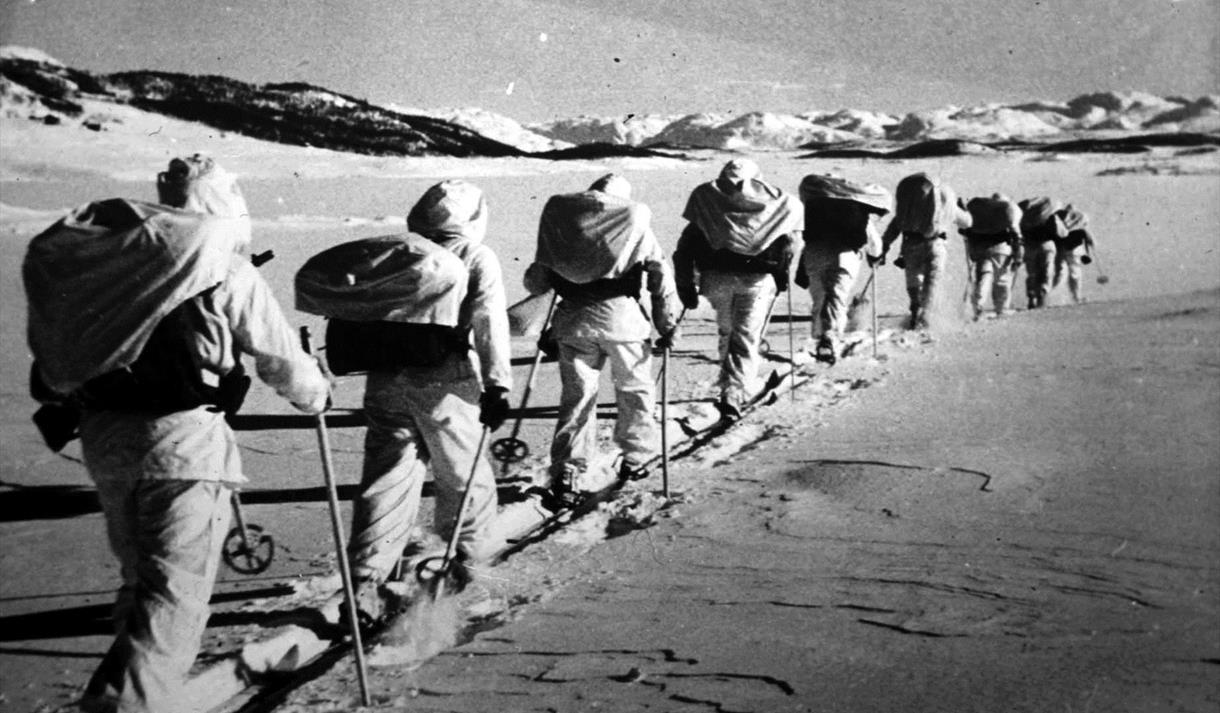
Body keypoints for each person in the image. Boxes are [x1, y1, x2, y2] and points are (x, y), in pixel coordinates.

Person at [24, 154, 331, 713]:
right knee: (174, 597)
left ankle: (128, 689)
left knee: (141, 579)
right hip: (183, 445)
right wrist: (316, 396)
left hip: (106, 439)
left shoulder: (122, 267)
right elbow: (282, 359)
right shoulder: (224, 269)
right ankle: (129, 705)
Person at [336, 180, 513, 621]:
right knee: (464, 476)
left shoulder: (399, 252)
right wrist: (498, 385)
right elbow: (489, 320)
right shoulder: (475, 255)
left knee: (386, 480)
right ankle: (466, 563)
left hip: (384, 380)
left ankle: (365, 582)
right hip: (444, 382)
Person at [523, 173, 678, 506]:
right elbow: (660, 277)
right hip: (623, 322)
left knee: (577, 396)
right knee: (634, 389)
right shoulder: (635, 225)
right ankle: (636, 457)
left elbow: (536, 283)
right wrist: (666, 324)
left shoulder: (565, 228)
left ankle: (567, 470)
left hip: (573, 321)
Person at [674, 159, 801, 415]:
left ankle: (730, 384)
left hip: (715, 278)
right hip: (756, 280)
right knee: (745, 335)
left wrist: (685, 284)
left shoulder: (707, 202)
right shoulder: (778, 205)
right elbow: (790, 245)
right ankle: (735, 392)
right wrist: (781, 274)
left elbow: (685, 247)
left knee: (728, 330)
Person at [795, 173, 890, 364]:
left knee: (819, 297)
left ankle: (820, 337)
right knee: (836, 297)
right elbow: (873, 242)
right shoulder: (855, 208)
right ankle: (829, 337)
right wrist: (876, 256)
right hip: (845, 257)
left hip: (814, 255)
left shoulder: (812, 208)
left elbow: (798, 235)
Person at [878, 172, 973, 329]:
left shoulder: (907, 208)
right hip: (936, 243)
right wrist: (964, 210)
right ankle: (926, 313)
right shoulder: (946, 200)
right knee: (933, 278)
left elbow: (895, 226)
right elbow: (967, 222)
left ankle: (916, 305)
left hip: (910, 244)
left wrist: (885, 245)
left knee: (913, 276)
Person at [960, 193, 1023, 319]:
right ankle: (1001, 308)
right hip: (1002, 250)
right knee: (1002, 279)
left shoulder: (981, 212)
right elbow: (1016, 235)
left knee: (983, 277)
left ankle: (976, 308)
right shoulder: (1008, 211)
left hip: (981, 249)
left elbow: (967, 231)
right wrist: (1018, 254)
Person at [1017, 196, 1066, 309]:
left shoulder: (1023, 218)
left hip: (1029, 247)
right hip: (1046, 245)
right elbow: (1062, 233)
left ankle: (1031, 295)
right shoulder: (1050, 217)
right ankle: (1042, 295)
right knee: (1046, 271)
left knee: (1032, 273)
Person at [1052, 204, 1095, 304]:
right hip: (1072, 248)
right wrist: (1090, 245)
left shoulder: (1057, 216)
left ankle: (1047, 295)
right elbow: (1086, 232)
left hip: (1061, 247)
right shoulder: (1081, 217)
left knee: (1061, 272)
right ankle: (1076, 297)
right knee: (1074, 272)